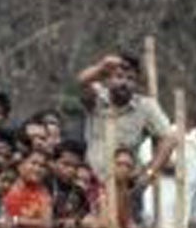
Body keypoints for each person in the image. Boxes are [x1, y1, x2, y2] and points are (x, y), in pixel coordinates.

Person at [76, 51, 177, 186]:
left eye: (130, 79)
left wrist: (149, 172)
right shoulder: (97, 98)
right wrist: (101, 67)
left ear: (136, 83)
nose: (124, 83)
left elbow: (169, 138)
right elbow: (82, 82)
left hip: (126, 186)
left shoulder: (146, 107)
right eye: (119, 76)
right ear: (108, 79)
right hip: (92, 184)